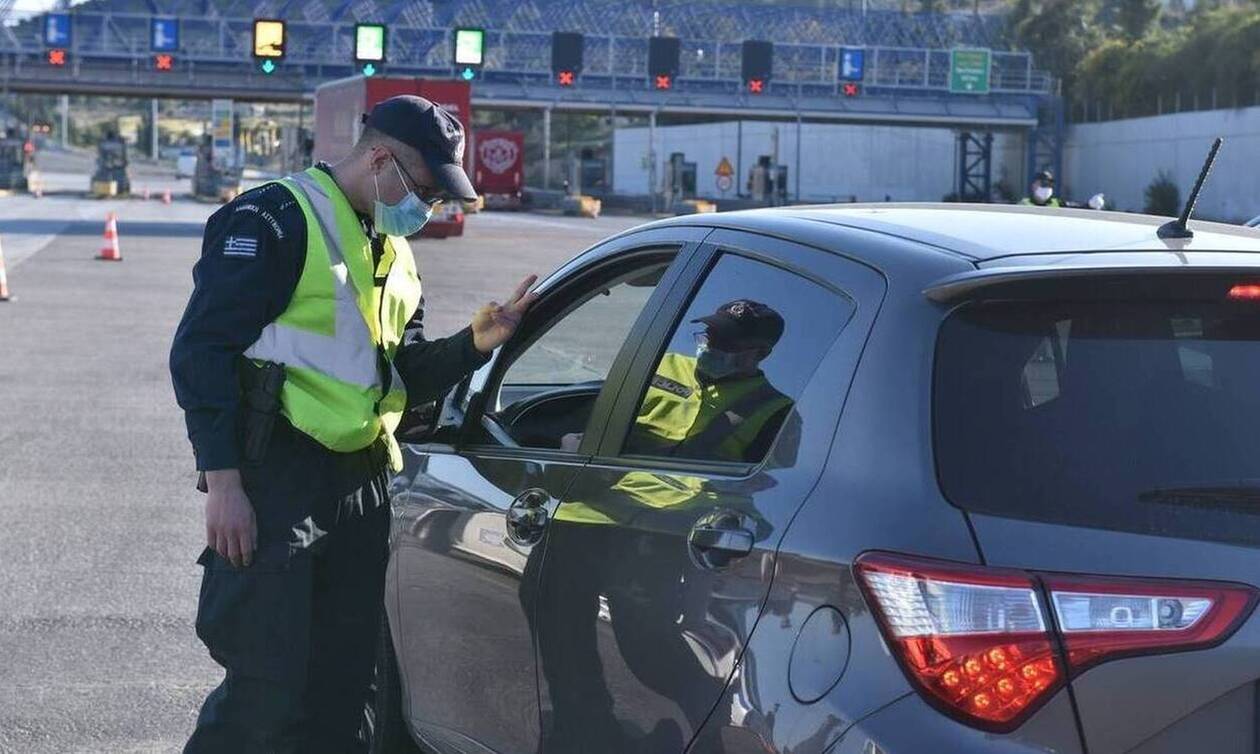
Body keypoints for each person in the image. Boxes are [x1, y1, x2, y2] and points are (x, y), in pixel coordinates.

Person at [170, 95, 537, 754]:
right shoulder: (276, 219)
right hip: (281, 484)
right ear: (378, 160)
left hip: (359, 489)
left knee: (343, 692)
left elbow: (390, 373)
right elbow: (201, 352)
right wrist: (224, 484)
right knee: (265, 693)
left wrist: (473, 345)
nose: (426, 208)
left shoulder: (391, 249)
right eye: (423, 189)